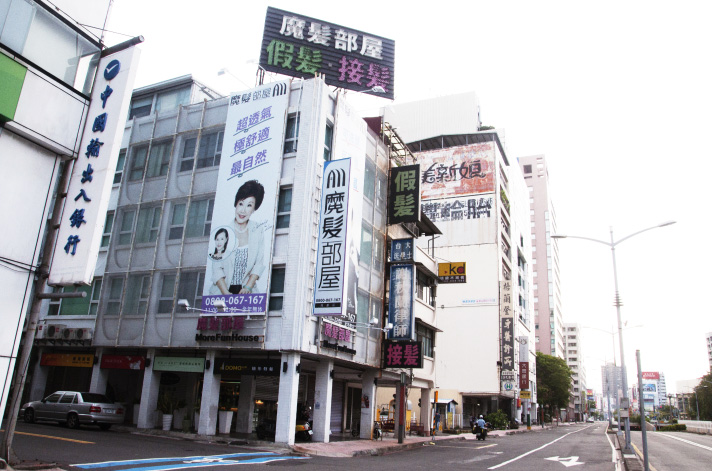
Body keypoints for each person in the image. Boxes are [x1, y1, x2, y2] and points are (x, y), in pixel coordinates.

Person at [212, 180, 266, 295]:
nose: (243, 210)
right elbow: (217, 268)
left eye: (249, 205)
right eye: (241, 203)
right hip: (221, 293)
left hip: (248, 292)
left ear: (254, 209)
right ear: (236, 204)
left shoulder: (258, 230)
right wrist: (226, 294)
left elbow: (259, 263)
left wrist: (248, 287)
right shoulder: (224, 230)